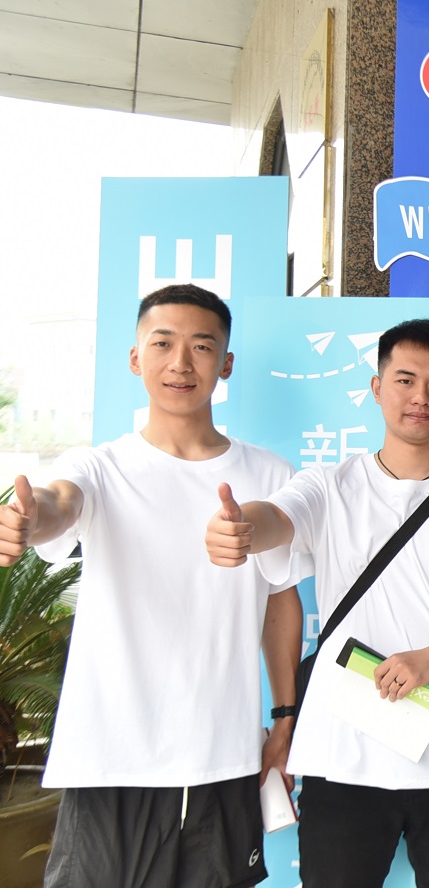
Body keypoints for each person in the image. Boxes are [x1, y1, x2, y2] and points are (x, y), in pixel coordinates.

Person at [204, 318, 429, 888]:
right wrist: (244, 528)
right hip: (343, 757)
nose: (420, 397)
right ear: (376, 387)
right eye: (405, 379)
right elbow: (278, 517)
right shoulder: (329, 486)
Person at [0, 284, 300, 888]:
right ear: (136, 358)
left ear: (226, 363)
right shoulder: (99, 466)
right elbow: (60, 502)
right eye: (162, 344)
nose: (181, 363)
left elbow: (279, 602)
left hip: (222, 755)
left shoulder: (269, 472)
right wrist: (30, 521)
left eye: (201, 346)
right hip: (111, 759)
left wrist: (285, 717)